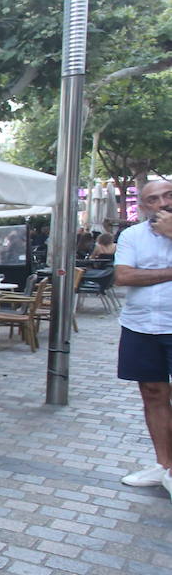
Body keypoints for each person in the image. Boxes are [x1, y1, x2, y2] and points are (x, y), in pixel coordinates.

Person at [114, 178, 172, 496]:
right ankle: (164, 466)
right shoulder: (132, 236)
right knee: (152, 393)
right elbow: (123, 275)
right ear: (144, 205)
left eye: (168, 196)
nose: (162, 203)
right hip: (140, 325)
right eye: (153, 199)